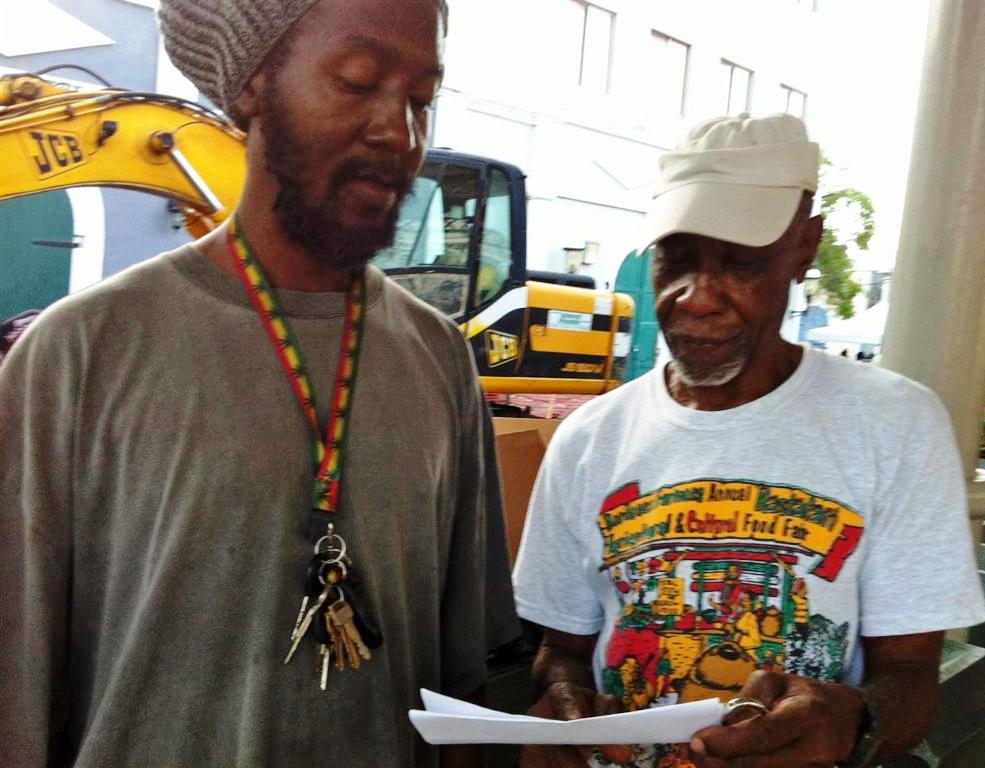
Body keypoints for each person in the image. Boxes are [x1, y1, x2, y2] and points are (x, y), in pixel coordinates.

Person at [0, 1, 519, 766]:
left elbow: (468, 681)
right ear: (252, 85)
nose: (399, 134)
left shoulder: (439, 359)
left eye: (420, 100)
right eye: (356, 81)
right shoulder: (80, 354)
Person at [512, 113, 985, 768]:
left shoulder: (896, 425)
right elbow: (560, 650)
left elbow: (908, 674)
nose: (699, 297)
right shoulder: (588, 438)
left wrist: (852, 721)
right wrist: (563, 707)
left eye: (741, 264)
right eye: (675, 260)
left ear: (805, 247)